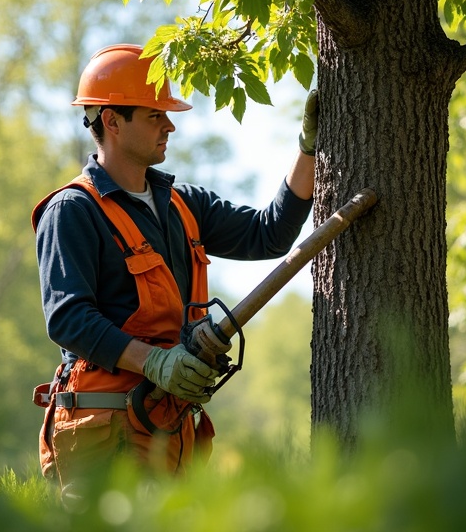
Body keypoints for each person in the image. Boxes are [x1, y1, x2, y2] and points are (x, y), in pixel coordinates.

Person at [31, 43, 317, 493]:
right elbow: (68, 318)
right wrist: (156, 363)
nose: (170, 126)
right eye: (154, 116)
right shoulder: (73, 210)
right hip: (105, 434)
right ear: (112, 121)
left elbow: (271, 234)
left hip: (170, 428)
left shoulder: (183, 206)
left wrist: (309, 148)